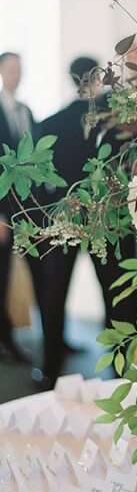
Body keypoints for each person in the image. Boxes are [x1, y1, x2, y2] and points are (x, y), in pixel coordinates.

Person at [35, 56, 137, 388]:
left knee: (55, 296)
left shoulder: (52, 123)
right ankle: (123, 370)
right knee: (116, 296)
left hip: (65, 218)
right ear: (98, 77)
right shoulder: (116, 118)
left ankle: (50, 369)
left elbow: (41, 179)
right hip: (109, 221)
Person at [0, 51, 45, 365]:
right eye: (11, 68)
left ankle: (54, 334)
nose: (17, 73)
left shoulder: (27, 110)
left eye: (20, 68)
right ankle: (6, 342)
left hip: (29, 212)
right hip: (3, 214)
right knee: (1, 278)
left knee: (43, 272)